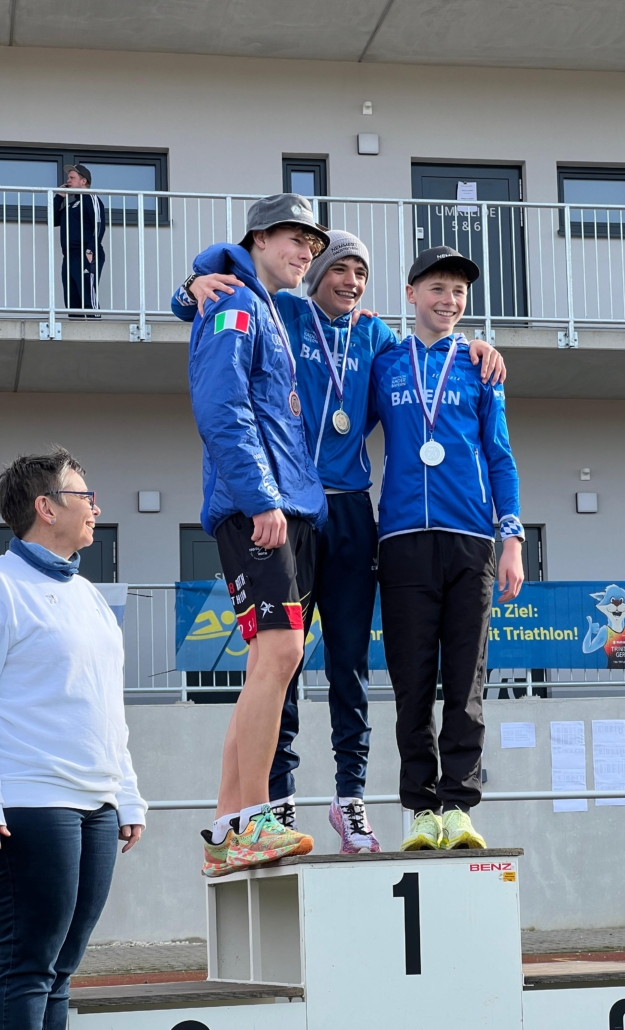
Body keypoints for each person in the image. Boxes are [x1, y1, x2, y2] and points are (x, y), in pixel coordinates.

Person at [173, 228, 506, 853]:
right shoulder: (284, 310)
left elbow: (430, 351)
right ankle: (276, 798)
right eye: (339, 269)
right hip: (293, 504)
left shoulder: (379, 338)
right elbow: (218, 294)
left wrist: (477, 348)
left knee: (350, 661)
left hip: (352, 508)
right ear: (316, 271)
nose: (350, 282)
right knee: (283, 659)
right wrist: (189, 288)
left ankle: (350, 799)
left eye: (361, 272)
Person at [188, 194, 330, 876]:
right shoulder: (236, 304)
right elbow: (221, 407)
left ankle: (226, 831)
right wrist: (260, 498)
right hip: (260, 506)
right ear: (261, 237)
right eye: (296, 239)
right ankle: (252, 821)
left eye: (312, 241)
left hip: (285, 502)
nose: (308, 251)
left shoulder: (269, 306)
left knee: (270, 664)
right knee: (278, 654)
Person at [369, 245, 524, 852]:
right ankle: (419, 810)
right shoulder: (385, 363)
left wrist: (510, 538)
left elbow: (501, 458)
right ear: (411, 295)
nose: (448, 300)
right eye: (436, 288)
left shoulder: (481, 366)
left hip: (472, 541)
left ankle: (459, 806)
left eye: (458, 291)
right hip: (403, 538)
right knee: (411, 681)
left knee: (466, 681)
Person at [0, 448, 146, 1030]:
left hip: (98, 804)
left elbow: (109, 704)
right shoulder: (6, 587)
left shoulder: (89, 597)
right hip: (34, 800)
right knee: (27, 966)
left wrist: (127, 794)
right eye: (84, 495)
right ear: (46, 507)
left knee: (62, 970)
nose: (95, 507)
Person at [53, 164, 106, 317]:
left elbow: (99, 224)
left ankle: (95, 327)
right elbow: (53, 220)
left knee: (87, 296)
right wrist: (59, 197)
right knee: (71, 299)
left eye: (72, 178)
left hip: (86, 253)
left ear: (83, 181)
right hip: (69, 257)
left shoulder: (91, 198)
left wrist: (91, 249)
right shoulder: (71, 206)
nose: (68, 181)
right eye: (68, 178)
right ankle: (75, 329)